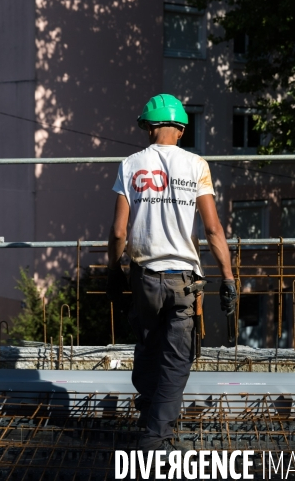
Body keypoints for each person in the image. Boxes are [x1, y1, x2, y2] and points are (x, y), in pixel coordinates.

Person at [107, 93, 236, 456]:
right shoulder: (197, 165)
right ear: (180, 129)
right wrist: (227, 277)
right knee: (176, 362)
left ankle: (150, 417)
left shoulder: (130, 165)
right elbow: (213, 230)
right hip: (183, 283)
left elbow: (119, 232)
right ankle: (153, 443)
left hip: (144, 277)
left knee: (148, 349)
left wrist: (114, 273)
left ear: (150, 129)